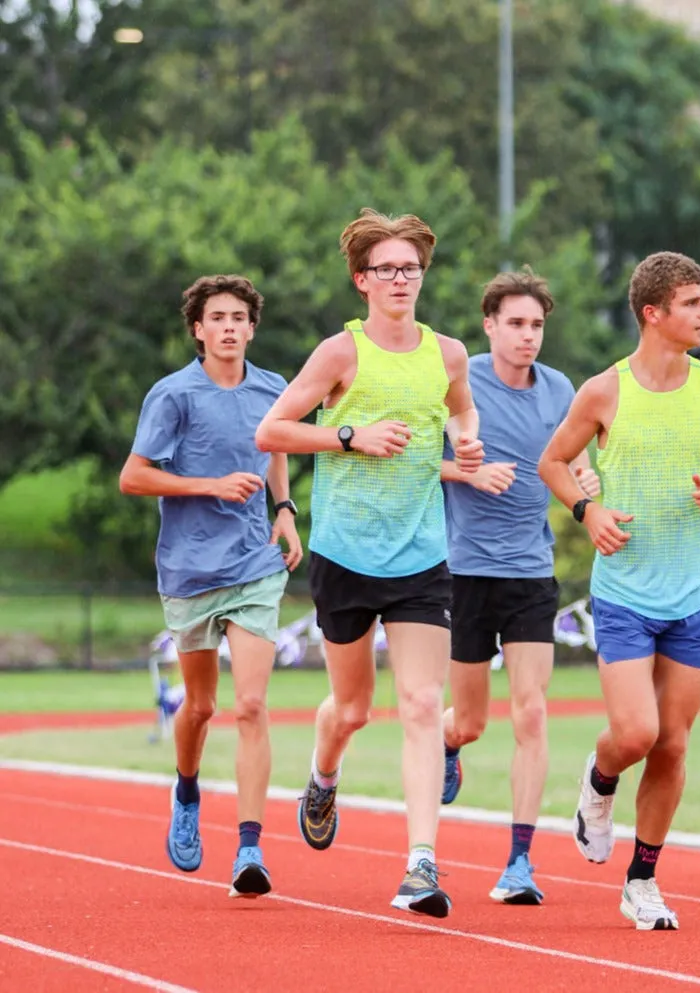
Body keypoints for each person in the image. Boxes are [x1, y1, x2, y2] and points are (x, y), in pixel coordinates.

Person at [255, 208, 483, 919]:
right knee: (352, 707)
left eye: (410, 268)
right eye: (385, 268)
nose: (400, 279)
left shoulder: (448, 353)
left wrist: (467, 443)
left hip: (421, 554)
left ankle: (420, 864)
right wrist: (349, 435)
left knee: (420, 704)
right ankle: (324, 774)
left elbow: (462, 412)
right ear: (361, 280)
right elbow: (271, 430)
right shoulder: (339, 354)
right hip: (345, 554)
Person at [537, 251, 700, 931]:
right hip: (626, 590)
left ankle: (642, 880)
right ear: (652, 313)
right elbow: (552, 460)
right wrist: (587, 511)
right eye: (692, 302)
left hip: (693, 592)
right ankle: (598, 783)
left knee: (673, 744)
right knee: (635, 732)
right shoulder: (603, 391)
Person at [119, 274, 303, 899]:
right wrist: (211, 484)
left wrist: (285, 511)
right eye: (216, 317)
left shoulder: (274, 389)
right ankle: (188, 788)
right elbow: (133, 477)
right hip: (190, 569)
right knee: (201, 707)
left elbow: (276, 447)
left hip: (255, 567)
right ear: (198, 329)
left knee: (251, 705)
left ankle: (249, 848)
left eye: (238, 317)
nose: (228, 326)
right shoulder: (173, 395)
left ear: (252, 328)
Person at [439, 267, 599, 905]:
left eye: (536, 325)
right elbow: (414, 460)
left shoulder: (559, 387)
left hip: (531, 572)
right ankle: (446, 742)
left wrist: (586, 483)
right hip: (465, 571)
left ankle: (519, 863)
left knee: (531, 711)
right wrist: (468, 476)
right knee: (474, 720)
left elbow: (574, 456)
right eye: (515, 324)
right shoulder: (460, 380)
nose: (528, 336)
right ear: (489, 325)